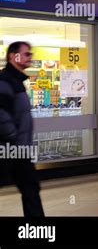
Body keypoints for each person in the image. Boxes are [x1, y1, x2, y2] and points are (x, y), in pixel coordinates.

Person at [0, 41, 45, 217]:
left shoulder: (16, 81)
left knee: (31, 189)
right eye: (26, 54)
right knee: (30, 189)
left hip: (18, 149)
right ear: (13, 56)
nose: (30, 57)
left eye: (31, 54)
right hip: (9, 148)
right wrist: (12, 135)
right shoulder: (5, 81)